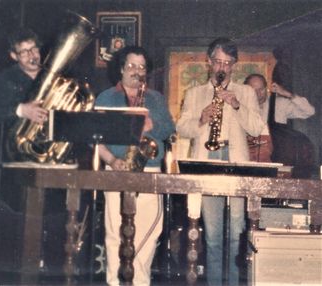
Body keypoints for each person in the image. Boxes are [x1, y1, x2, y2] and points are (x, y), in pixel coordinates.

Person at [176, 38, 265, 286]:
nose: (222, 67)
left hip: (235, 161)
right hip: (206, 162)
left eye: (227, 62)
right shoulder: (194, 93)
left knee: (237, 234)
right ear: (209, 62)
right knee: (213, 237)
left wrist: (236, 104)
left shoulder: (246, 92)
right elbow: (182, 128)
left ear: (234, 65)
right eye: (217, 61)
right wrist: (202, 119)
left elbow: (257, 128)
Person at [95, 46, 175, 286]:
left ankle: (139, 282)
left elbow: (170, 130)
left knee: (150, 231)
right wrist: (111, 160)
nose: (136, 71)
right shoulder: (106, 97)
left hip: (149, 169)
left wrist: (152, 125)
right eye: (131, 66)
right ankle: (114, 282)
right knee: (114, 233)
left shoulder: (156, 98)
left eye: (141, 67)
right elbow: (95, 138)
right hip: (116, 169)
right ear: (121, 69)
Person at [0, 28, 47, 127]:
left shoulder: (52, 71)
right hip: (21, 139)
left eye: (34, 49)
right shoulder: (5, 78)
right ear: (14, 56)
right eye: (24, 52)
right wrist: (20, 110)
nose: (32, 55)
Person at [243, 73, 315, 125]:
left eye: (261, 89)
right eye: (253, 90)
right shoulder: (240, 106)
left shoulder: (280, 104)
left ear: (266, 88)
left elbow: (309, 111)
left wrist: (288, 94)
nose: (258, 94)